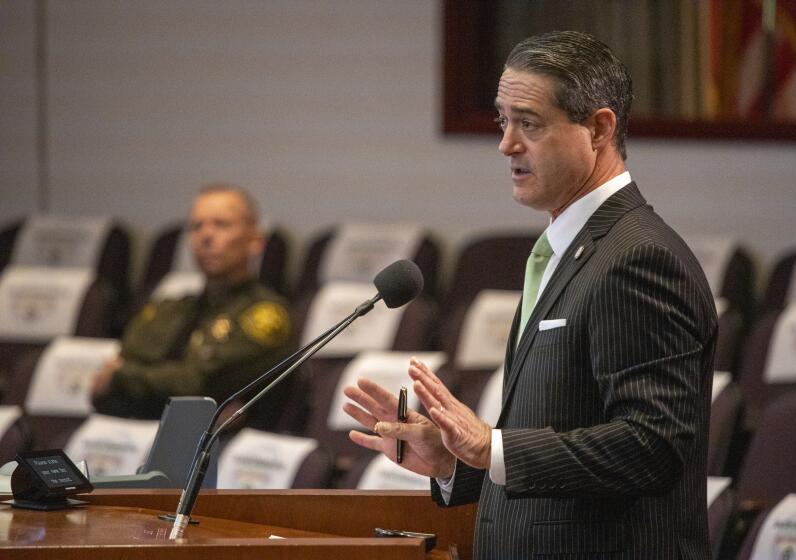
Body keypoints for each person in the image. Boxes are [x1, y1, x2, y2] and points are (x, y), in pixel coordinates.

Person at [343, 31, 717, 559]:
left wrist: (489, 445)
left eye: (530, 123)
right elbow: (561, 450)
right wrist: (458, 462)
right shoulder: (565, 250)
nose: (506, 144)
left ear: (599, 128)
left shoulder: (638, 259)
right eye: (503, 120)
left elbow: (653, 448)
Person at [91, 184, 294, 421]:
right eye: (196, 226)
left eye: (222, 224)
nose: (206, 236)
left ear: (255, 240)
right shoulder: (169, 308)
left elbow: (196, 385)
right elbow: (124, 366)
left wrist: (120, 377)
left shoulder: (266, 316)